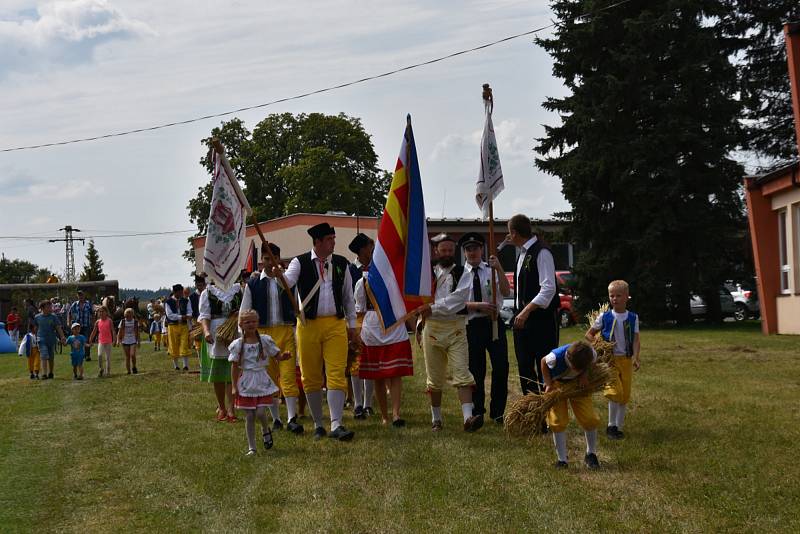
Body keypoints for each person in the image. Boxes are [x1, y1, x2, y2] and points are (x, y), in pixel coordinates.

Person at [274, 222, 358, 441]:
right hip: (308, 325)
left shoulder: (341, 263)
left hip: (335, 324)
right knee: (310, 376)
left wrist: (352, 327)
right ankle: (319, 423)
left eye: (333, 238)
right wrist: (278, 274)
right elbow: (287, 282)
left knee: (336, 373)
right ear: (318, 242)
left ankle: (337, 423)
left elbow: (349, 298)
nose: (334, 243)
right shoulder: (299, 262)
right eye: (330, 239)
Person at [416, 233, 483, 433]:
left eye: (450, 251)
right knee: (435, 378)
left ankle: (468, 418)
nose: (446, 254)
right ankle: (436, 419)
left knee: (462, 372)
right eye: (443, 250)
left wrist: (432, 308)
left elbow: (458, 301)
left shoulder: (464, 273)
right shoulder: (426, 273)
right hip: (433, 328)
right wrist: (421, 321)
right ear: (436, 251)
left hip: (456, 328)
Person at [241, 242, 304, 434]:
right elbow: (245, 310)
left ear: (279, 259)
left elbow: (299, 305)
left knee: (288, 375)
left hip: (285, 331)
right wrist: (244, 336)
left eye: (273, 258)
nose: (270, 262)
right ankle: (276, 418)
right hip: (263, 335)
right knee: (268, 378)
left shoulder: (288, 282)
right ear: (262, 261)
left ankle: (292, 417)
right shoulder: (252, 284)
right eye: (266, 259)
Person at [459, 232, 512, 424]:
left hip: (494, 323)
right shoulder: (459, 274)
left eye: (475, 248)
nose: (472, 252)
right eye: (468, 249)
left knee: (500, 367)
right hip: (472, 324)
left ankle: (498, 411)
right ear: (464, 252)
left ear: (482, 249)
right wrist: (478, 306)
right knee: (476, 369)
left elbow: (506, 292)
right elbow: (455, 304)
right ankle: (477, 410)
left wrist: (499, 269)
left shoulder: (491, 269)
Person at [507, 214, 559, 405]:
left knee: (545, 365)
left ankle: (550, 412)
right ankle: (533, 412)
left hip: (541, 320)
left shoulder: (542, 252)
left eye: (509, 233)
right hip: (522, 320)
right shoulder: (522, 253)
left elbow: (548, 288)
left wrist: (527, 310)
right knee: (525, 368)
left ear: (514, 233)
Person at [354, 267, 414, 427]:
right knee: (378, 376)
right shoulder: (363, 283)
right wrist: (356, 332)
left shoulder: (395, 280)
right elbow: (360, 310)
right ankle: (384, 416)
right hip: (373, 329)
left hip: (394, 325)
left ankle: (395, 414)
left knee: (396, 373)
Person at [229, 309, 291, 456]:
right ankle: (252, 447)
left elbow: (276, 355)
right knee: (249, 416)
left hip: (262, 379)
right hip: (246, 382)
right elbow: (234, 366)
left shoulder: (265, 340)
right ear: (241, 324)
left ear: (258, 322)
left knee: (261, 412)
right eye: (247, 322)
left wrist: (283, 357)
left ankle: (265, 429)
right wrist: (233, 386)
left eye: (254, 321)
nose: (251, 324)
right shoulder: (238, 344)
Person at [585, 279, 641, 440]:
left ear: (627, 297)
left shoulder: (633, 318)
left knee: (624, 394)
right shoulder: (605, 317)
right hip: (610, 361)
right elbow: (589, 334)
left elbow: (636, 339)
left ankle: (619, 427)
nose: (614, 299)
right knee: (615, 391)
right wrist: (599, 344)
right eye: (612, 296)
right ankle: (611, 426)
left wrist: (636, 357)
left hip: (626, 360)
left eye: (618, 295)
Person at [541, 341, 601, 469]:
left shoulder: (591, 354)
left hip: (578, 384)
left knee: (590, 418)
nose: (576, 370)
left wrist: (584, 375)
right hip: (557, 384)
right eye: (575, 368)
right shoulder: (555, 357)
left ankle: (591, 454)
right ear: (569, 359)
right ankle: (562, 460)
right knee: (557, 420)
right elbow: (543, 362)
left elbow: (592, 364)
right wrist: (548, 383)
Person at [199, 279, 242, 423]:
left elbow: (245, 311)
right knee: (218, 374)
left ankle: (231, 408)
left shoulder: (238, 290)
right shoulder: (208, 292)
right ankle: (221, 407)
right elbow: (204, 316)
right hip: (216, 333)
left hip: (234, 331)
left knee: (232, 371)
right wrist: (206, 332)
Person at [347, 233, 376, 419]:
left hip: (373, 320)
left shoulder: (377, 268)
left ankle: (368, 403)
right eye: (370, 247)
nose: (372, 250)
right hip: (355, 319)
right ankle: (357, 402)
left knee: (370, 361)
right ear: (362, 249)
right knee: (355, 363)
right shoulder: (350, 270)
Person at [34, 300, 66, 380]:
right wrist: (34, 338)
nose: (50, 308)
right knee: (44, 355)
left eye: (50, 307)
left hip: (51, 339)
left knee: (51, 357)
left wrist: (62, 337)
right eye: (48, 307)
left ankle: (51, 372)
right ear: (42, 308)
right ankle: (44, 374)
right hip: (41, 339)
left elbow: (58, 327)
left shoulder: (53, 317)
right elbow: (35, 328)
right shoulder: (37, 317)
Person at [165, 284, 193, 371]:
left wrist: (188, 316)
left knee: (184, 344)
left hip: (184, 326)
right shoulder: (168, 302)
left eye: (182, 292)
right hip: (172, 326)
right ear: (174, 292)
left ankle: (185, 365)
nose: (181, 294)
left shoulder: (186, 300)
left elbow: (190, 311)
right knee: (174, 344)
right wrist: (181, 317)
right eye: (180, 292)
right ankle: (176, 366)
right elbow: (169, 315)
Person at [68, 290, 94, 362]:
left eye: (81, 295)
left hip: (86, 325)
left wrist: (93, 322)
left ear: (84, 296)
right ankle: (77, 354)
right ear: (77, 296)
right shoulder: (74, 304)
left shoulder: (88, 304)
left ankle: (87, 355)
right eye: (79, 295)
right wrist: (69, 322)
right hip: (77, 326)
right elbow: (69, 313)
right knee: (77, 340)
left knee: (86, 340)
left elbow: (92, 313)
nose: (80, 297)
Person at [89, 306, 115, 377]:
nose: (101, 313)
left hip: (108, 341)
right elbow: (94, 331)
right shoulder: (97, 322)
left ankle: (108, 372)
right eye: (100, 312)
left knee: (108, 358)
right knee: (99, 355)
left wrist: (114, 340)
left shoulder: (109, 320)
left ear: (106, 312)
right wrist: (90, 339)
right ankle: (101, 369)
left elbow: (113, 330)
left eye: (103, 311)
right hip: (101, 341)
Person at [117, 308, 140, 374]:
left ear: (132, 315)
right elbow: (119, 331)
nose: (128, 317)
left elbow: (138, 332)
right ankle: (128, 371)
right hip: (125, 340)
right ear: (125, 315)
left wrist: (138, 341)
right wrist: (118, 340)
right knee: (127, 357)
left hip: (133, 339)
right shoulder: (123, 321)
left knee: (132, 354)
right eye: (127, 315)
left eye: (130, 315)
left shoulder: (135, 322)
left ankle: (134, 366)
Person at [189, 275, 205, 358]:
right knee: (198, 340)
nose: (200, 287)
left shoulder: (207, 294)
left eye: (201, 285)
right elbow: (190, 310)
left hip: (206, 319)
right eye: (198, 285)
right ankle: (200, 360)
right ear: (195, 285)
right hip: (196, 320)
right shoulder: (192, 297)